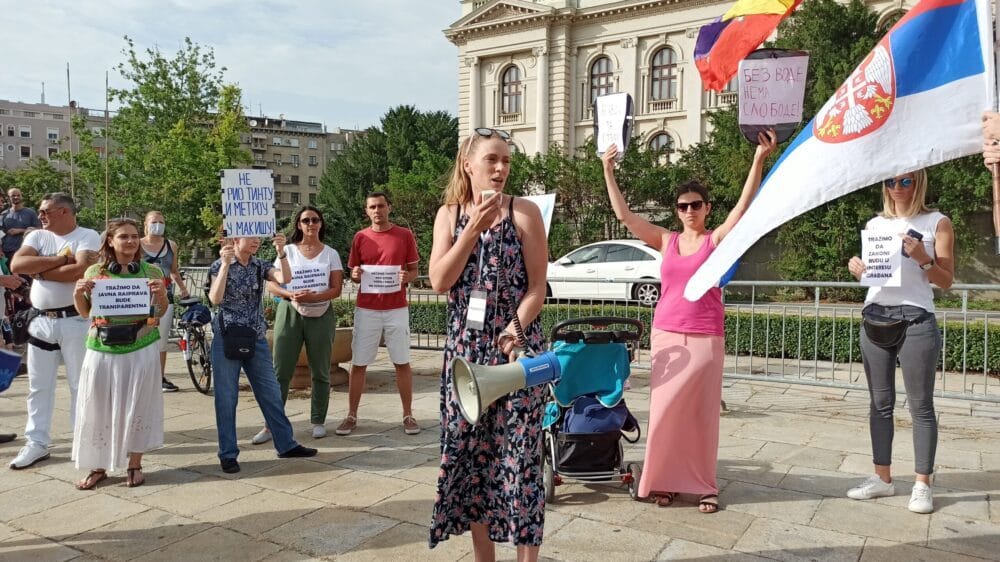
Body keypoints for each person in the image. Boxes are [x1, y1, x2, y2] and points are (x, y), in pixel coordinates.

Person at [601, 131, 777, 514]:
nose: (689, 211)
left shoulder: (717, 240)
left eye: (695, 205)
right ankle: (664, 481)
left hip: (705, 336)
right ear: (676, 210)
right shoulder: (666, 241)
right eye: (682, 206)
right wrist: (607, 169)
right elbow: (623, 216)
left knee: (700, 415)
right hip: (667, 335)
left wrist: (758, 159)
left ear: (707, 208)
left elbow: (744, 209)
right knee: (666, 415)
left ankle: (703, 485)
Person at [427, 128, 548, 560]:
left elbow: (538, 287)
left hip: (515, 355)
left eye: (507, 162)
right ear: (469, 165)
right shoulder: (449, 215)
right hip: (464, 359)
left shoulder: (525, 212)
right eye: (492, 160)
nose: (500, 169)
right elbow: (440, 280)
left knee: (519, 464)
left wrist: (515, 329)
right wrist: (472, 228)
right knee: (472, 464)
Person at [846, 169, 954, 514]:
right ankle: (882, 478)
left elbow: (947, 281)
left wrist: (924, 260)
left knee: (921, 406)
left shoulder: (937, 222)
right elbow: (875, 278)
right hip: (875, 316)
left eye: (905, 181)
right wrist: (860, 271)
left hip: (916, 319)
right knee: (879, 404)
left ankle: (922, 483)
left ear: (918, 182)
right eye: (890, 182)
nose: (897, 188)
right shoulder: (876, 225)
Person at [71, 218, 169, 489]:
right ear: (110, 241)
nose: (131, 241)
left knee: (139, 404)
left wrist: (161, 296)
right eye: (124, 236)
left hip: (141, 346)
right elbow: (84, 312)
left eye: (135, 236)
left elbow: (158, 313)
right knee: (98, 406)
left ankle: (135, 464)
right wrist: (78, 293)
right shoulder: (94, 272)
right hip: (102, 348)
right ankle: (97, 466)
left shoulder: (151, 272)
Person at [208, 235, 317, 474]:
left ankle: (286, 444)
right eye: (251, 236)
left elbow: (285, 279)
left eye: (259, 237)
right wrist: (225, 264)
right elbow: (215, 299)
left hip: (255, 337)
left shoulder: (260, 265)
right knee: (226, 398)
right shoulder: (219, 264)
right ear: (236, 238)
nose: (256, 241)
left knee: (271, 392)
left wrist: (281, 252)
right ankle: (227, 453)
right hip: (227, 337)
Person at [8, 193, 100, 469]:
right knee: (38, 386)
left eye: (45, 210)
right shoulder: (36, 236)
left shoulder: (87, 235)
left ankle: (81, 440)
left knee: (79, 385)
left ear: (63, 211)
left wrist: (40, 270)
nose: (41, 215)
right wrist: (60, 260)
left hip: (75, 320)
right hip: (41, 321)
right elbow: (18, 265)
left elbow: (81, 270)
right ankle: (36, 442)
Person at [254, 206, 342, 443]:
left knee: (321, 370)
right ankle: (271, 425)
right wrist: (288, 294)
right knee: (280, 370)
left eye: (315, 220)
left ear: (321, 224)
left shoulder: (331, 253)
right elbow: (272, 283)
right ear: (299, 225)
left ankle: (318, 420)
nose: (310, 224)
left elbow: (336, 289)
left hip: (321, 313)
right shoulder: (288, 251)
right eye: (305, 220)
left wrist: (314, 297)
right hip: (290, 311)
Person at [336, 192, 420, 436]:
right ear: (367, 211)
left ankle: (408, 414)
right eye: (372, 207)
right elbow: (354, 271)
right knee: (359, 362)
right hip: (367, 309)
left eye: (381, 206)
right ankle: (352, 415)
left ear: (389, 208)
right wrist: (354, 276)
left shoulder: (404, 235)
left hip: (396, 309)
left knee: (402, 361)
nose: (377, 210)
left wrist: (408, 277)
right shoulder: (360, 237)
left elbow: (414, 270)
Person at [140, 211, 192, 393]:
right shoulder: (137, 244)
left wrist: (183, 289)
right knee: (143, 336)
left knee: (161, 338)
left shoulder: (171, 245)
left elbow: (173, 270)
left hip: (163, 298)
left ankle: (159, 377)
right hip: (140, 299)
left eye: (161, 221)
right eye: (154, 221)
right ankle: (141, 375)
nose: (158, 225)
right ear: (146, 224)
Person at [2, 189, 42, 259]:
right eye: (13, 196)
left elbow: (39, 230)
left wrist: (20, 230)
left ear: (21, 196)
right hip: (7, 251)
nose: (16, 197)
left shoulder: (30, 212)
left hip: (25, 251)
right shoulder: (4, 214)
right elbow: (0, 234)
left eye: (18, 195)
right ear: (8, 198)